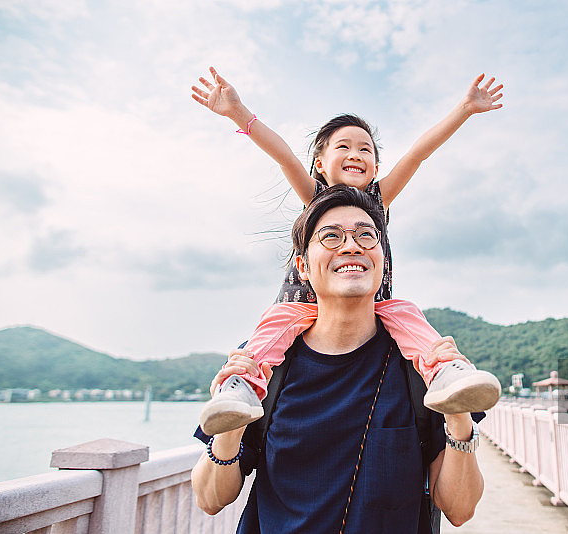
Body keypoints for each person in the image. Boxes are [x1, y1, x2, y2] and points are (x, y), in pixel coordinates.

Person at [191, 67, 503, 436]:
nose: (356, 153)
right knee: (271, 329)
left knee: (406, 314)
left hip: (369, 306)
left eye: (365, 149)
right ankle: (241, 388)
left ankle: (445, 371)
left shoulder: (378, 200)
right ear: (321, 164)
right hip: (304, 305)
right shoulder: (317, 199)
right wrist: (237, 112)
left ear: (375, 167)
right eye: (344, 146)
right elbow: (286, 158)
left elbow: (418, 153)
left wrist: (464, 109)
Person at [191, 185, 485, 533]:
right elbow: (210, 499)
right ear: (302, 266)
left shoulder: (418, 365)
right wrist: (231, 431)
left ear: (381, 258)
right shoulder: (265, 364)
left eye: (366, 235)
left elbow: (460, 509)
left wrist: (458, 418)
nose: (351, 246)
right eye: (331, 237)